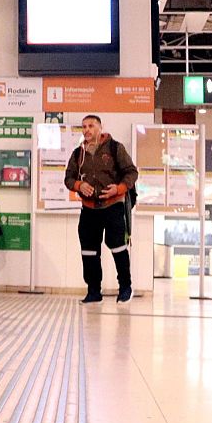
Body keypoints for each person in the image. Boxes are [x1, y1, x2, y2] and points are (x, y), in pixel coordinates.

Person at [64, 115, 138, 304]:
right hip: (88, 209)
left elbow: (131, 172)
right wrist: (79, 185)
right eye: (84, 127)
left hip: (113, 206)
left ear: (100, 127)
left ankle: (125, 288)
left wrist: (119, 188)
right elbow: (69, 178)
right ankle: (94, 291)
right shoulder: (77, 153)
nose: (86, 130)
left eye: (91, 126)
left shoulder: (115, 147)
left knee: (118, 247)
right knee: (88, 251)